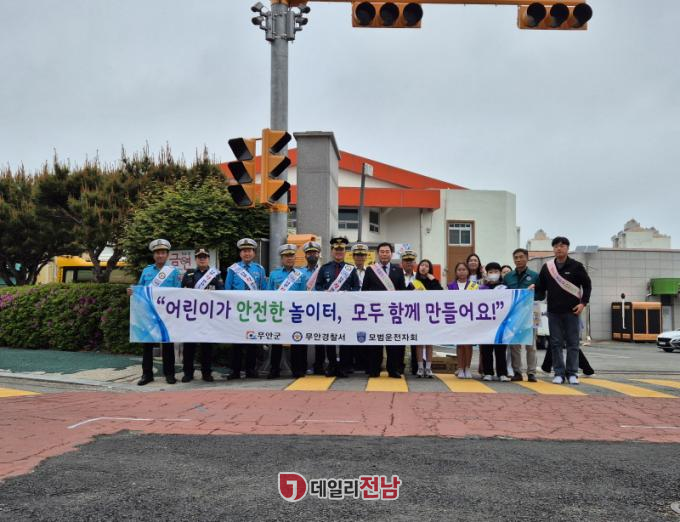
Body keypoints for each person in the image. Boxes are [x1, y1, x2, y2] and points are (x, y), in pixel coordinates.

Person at [533, 236, 592, 385]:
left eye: (562, 246)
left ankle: (572, 374)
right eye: (556, 246)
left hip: (572, 311)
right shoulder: (547, 267)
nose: (559, 248)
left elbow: (587, 285)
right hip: (553, 312)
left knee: (573, 344)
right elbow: (541, 287)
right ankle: (559, 373)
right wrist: (533, 289)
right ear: (553, 249)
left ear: (567, 248)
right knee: (556, 343)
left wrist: (583, 303)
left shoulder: (576, 266)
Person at [128, 239, 182, 386]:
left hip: (167, 314)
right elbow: (140, 289)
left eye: (163, 253)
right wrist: (132, 291)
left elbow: (178, 293)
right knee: (147, 346)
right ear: (154, 255)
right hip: (148, 314)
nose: (160, 255)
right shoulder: (146, 271)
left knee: (168, 345)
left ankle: (169, 374)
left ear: (167, 255)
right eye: (157, 253)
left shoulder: (174, 272)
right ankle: (147, 374)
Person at [314, 237, 361, 377]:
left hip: (345, 310)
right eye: (336, 250)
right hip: (330, 310)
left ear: (345, 252)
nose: (339, 252)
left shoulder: (350, 269)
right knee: (330, 338)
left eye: (341, 250)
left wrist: (347, 294)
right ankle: (332, 366)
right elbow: (318, 287)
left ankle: (344, 367)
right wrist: (325, 292)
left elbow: (356, 287)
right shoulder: (324, 268)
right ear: (332, 251)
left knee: (345, 339)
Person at [362, 242, 407, 378]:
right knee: (375, 342)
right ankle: (374, 369)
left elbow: (402, 292)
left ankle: (393, 369)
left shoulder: (398, 270)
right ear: (378, 254)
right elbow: (364, 291)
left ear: (391, 254)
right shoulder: (370, 270)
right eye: (382, 252)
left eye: (387, 252)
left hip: (392, 312)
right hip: (375, 312)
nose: (384, 254)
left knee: (392, 342)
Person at [224, 237, 267, 380]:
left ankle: (250, 370)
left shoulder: (259, 269)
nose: (247, 253)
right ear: (240, 253)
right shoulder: (233, 269)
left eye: (249, 251)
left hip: (254, 311)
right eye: (244, 251)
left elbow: (264, 290)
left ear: (253, 253)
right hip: (237, 311)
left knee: (252, 342)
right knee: (236, 342)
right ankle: (235, 371)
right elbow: (227, 290)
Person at [180, 248, 224, 383]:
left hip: (208, 317)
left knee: (207, 346)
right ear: (196, 259)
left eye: (205, 257)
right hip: (191, 316)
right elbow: (180, 293)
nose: (202, 259)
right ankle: (188, 373)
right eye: (200, 257)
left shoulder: (215, 275)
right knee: (189, 346)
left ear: (208, 259)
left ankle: (206, 372)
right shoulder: (189, 274)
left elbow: (222, 292)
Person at [267, 244, 307, 379]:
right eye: (286, 256)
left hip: (295, 312)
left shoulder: (300, 275)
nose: (289, 258)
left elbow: (303, 295)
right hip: (278, 312)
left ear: (295, 257)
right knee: (276, 341)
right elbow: (268, 294)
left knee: (296, 340)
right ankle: (274, 369)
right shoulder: (274, 274)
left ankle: (297, 370)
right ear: (282, 258)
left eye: (291, 255)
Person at [504, 248, 539, 382]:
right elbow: (503, 295)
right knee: (515, 345)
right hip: (514, 314)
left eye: (521, 257)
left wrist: (532, 293)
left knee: (531, 345)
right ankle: (517, 372)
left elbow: (542, 294)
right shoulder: (508, 277)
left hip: (531, 313)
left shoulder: (535, 276)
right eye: (516, 258)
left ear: (527, 258)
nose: (518, 260)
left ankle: (531, 373)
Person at [407, 259, 443, 378]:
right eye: (422, 265)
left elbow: (441, 293)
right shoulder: (414, 282)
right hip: (417, 315)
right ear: (418, 268)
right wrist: (413, 292)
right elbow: (404, 296)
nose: (424, 267)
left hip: (430, 316)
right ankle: (420, 368)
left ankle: (428, 368)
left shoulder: (433, 281)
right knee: (419, 342)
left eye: (427, 266)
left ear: (430, 269)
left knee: (429, 342)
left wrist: (433, 280)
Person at [479, 262, 511, 382]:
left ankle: (502, 373)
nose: (493, 274)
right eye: (491, 272)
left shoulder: (505, 288)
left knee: (501, 349)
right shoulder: (482, 288)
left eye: (496, 272)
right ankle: (488, 372)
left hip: (501, 323)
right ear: (487, 274)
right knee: (486, 349)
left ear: (500, 273)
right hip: (486, 323)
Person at [447, 262, 479, 379]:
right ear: (456, 272)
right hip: (457, 318)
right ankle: (460, 367)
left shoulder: (474, 286)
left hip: (469, 318)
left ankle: (467, 368)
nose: (461, 272)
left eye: (464, 269)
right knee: (460, 344)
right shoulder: (450, 286)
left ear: (468, 271)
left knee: (468, 344)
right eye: (459, 270)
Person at [298, 240, 324, 375]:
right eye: (309, 253)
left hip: (320, 310)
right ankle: (301, 366)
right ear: (305, 255)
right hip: (303, 311)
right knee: (302, 338)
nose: (312, 255)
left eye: (314, 252)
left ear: (319, 254)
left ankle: (319, 366)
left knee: (320, 339)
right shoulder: (298, 272)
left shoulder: (323, 271)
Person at [350, 243, 370, 373]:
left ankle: (365, 363)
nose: (360, 257)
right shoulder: (347, 271)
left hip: (367, 308)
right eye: (357, 255)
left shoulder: (371, 271)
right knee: (352, 335)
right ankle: (354, 363)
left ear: (366, 257)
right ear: (353, 256)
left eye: (362, 255)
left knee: (366, 335)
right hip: (352, 308)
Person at [401, 249, 418, 375]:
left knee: (415, 341)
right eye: (406, 261)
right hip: (400, 313)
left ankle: (416, 367)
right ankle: (399, 367)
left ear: (414, 263)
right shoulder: (396, 275)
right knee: (400, 341)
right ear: (402, 262)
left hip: (415, 313)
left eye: (411, 261)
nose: (408, 263)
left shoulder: (419, 277)